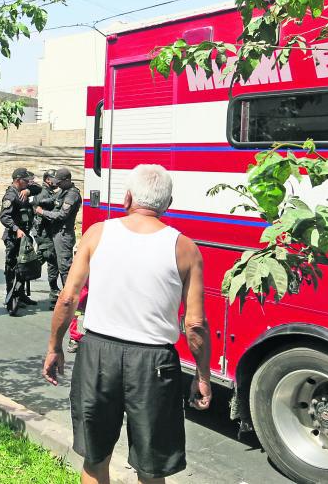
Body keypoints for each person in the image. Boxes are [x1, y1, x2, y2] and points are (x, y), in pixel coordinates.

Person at [43, 164, 212, 484]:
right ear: (168, 203)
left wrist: (54, 347)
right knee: (151, 469)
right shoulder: (185, 247)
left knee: (95, 460)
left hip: (97, 356)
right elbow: (196, 325)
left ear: (128, 197)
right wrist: (202, 376)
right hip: (154, 363)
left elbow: (68, 298)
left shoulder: (97, 234)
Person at [35, 168, 81, 293]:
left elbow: (62, 215)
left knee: (65, 267)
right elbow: (51, 200)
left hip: (63, 234)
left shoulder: (72, 194)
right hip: (56, 233)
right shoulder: (63, 191)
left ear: (67, 180)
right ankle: (56, 293)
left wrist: (42, 212)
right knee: (53, 262)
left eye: (59, 182)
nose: (57, 184)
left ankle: (69, 296)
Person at [0, 167, 40, 307]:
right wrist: (16, 229)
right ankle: (11, 298)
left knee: (23, 266)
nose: (28, 182)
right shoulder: (11, 195)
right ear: (18, 180)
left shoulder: (23, 190)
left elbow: (38, 187)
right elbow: (4, 217)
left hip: (25, 235)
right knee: (12, 268)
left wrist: (28, 190)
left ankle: (21, 295)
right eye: (26, 181)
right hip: (13, 237)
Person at [30, 169, 60, 309]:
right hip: (43, 232)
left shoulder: (48, 191)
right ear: (48, 179)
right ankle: (54, 290)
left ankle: (22, 274)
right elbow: (42, 204)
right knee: (52, 258)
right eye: (55, 179)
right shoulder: (44, 192)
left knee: (41, 257)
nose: (57, 181)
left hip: (45, 231)